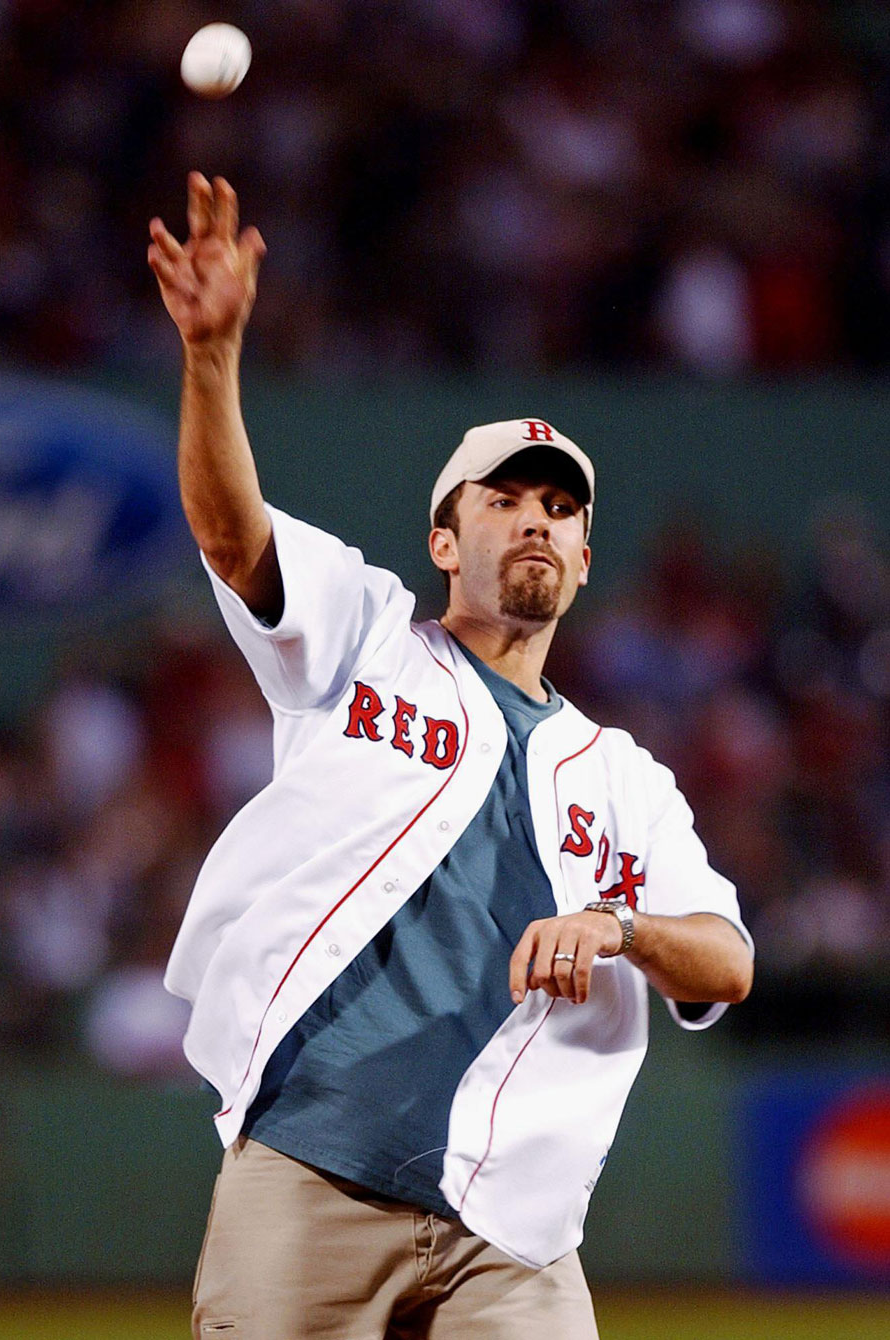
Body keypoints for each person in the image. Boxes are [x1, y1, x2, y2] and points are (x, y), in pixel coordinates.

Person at [149, 173, 754, 1340]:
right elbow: (234, 531)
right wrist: (213, 355)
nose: (535, 517)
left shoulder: (623, 776)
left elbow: (724, 961)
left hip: (515, 1233)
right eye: (503, 497)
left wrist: (619, 927)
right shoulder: (364, 636)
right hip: (311, 1167)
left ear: (582, 560)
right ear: (443, 536)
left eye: (559, 508)